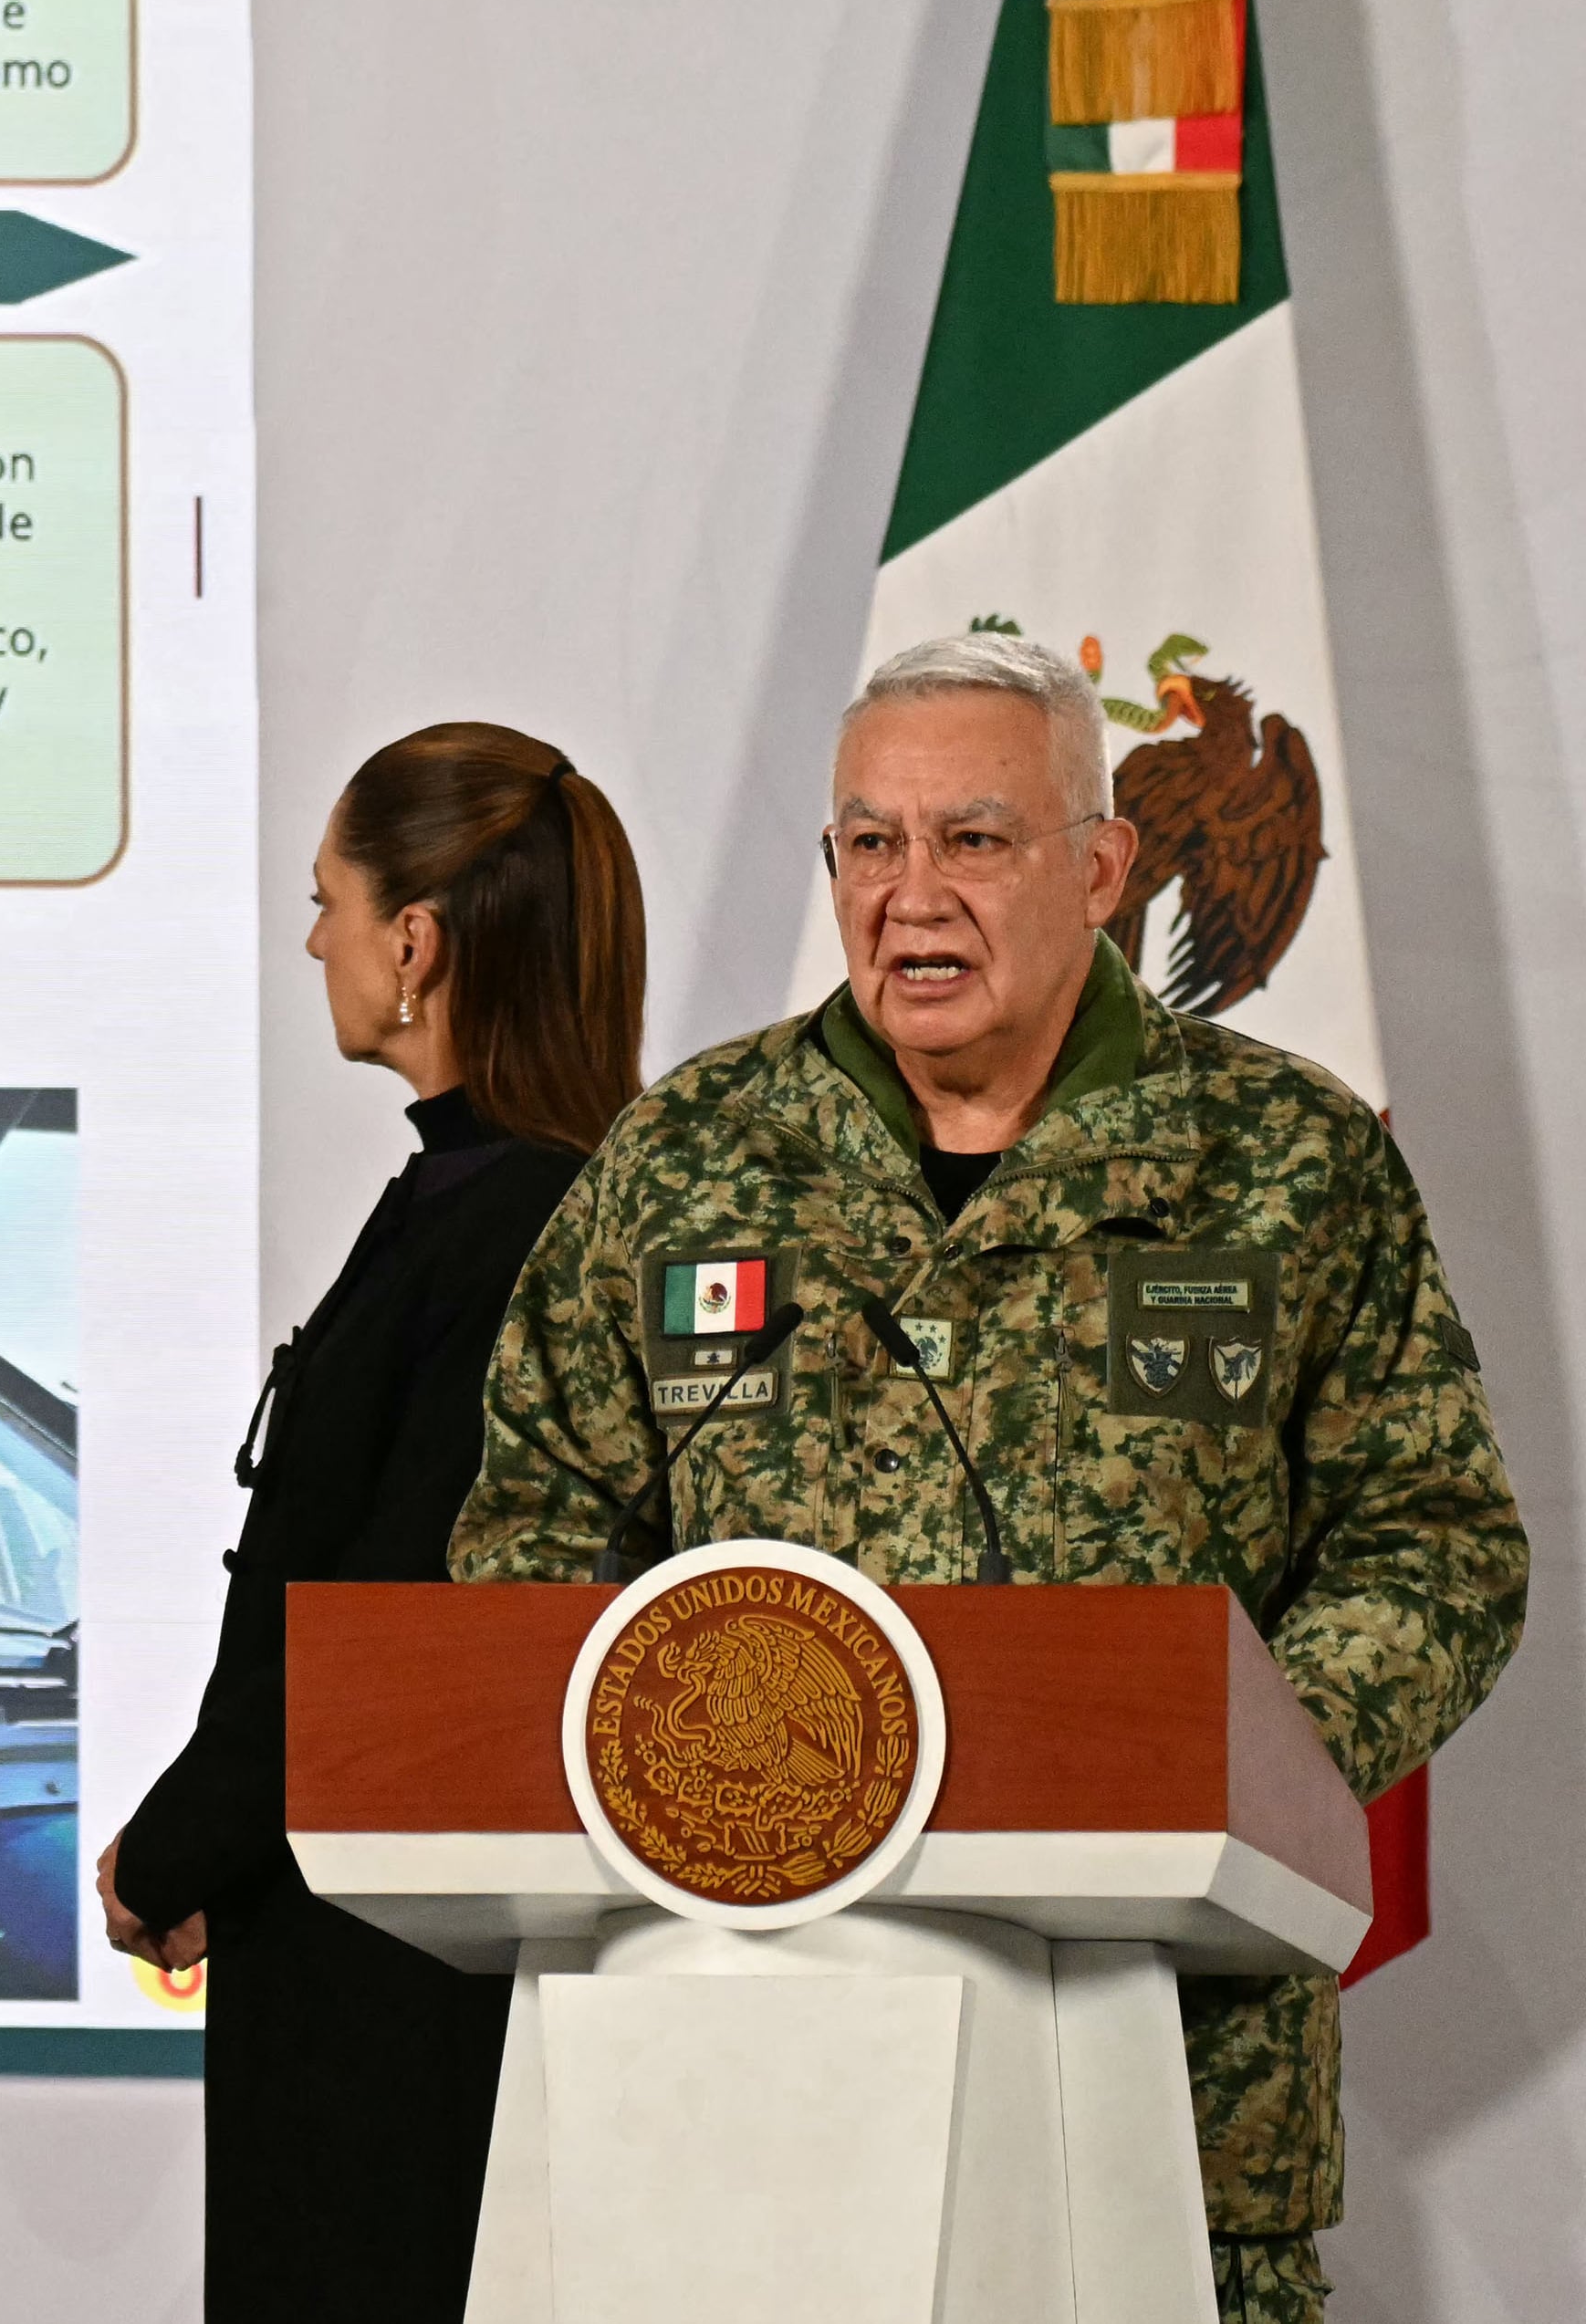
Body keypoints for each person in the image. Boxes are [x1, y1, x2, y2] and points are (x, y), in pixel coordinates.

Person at [452, 633, 1529, 2324]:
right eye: (868, 844)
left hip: (1170, 2091)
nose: (910, 892)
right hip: (746, 2086)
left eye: (972, 838)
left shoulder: (1285, 1157)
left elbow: (1438, 1542)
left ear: (1102, 868)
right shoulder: (687, 1158)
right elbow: (534, 1528)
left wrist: (1246, 1749)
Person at [100, 723, 648, 2323]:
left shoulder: (508, 1225)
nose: (317, 937)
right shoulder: (489, 1198)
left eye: (330, 897)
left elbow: (390, 1616)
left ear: (416, 942)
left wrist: (177, 1844)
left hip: (389, 1979)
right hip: (357, 1928)